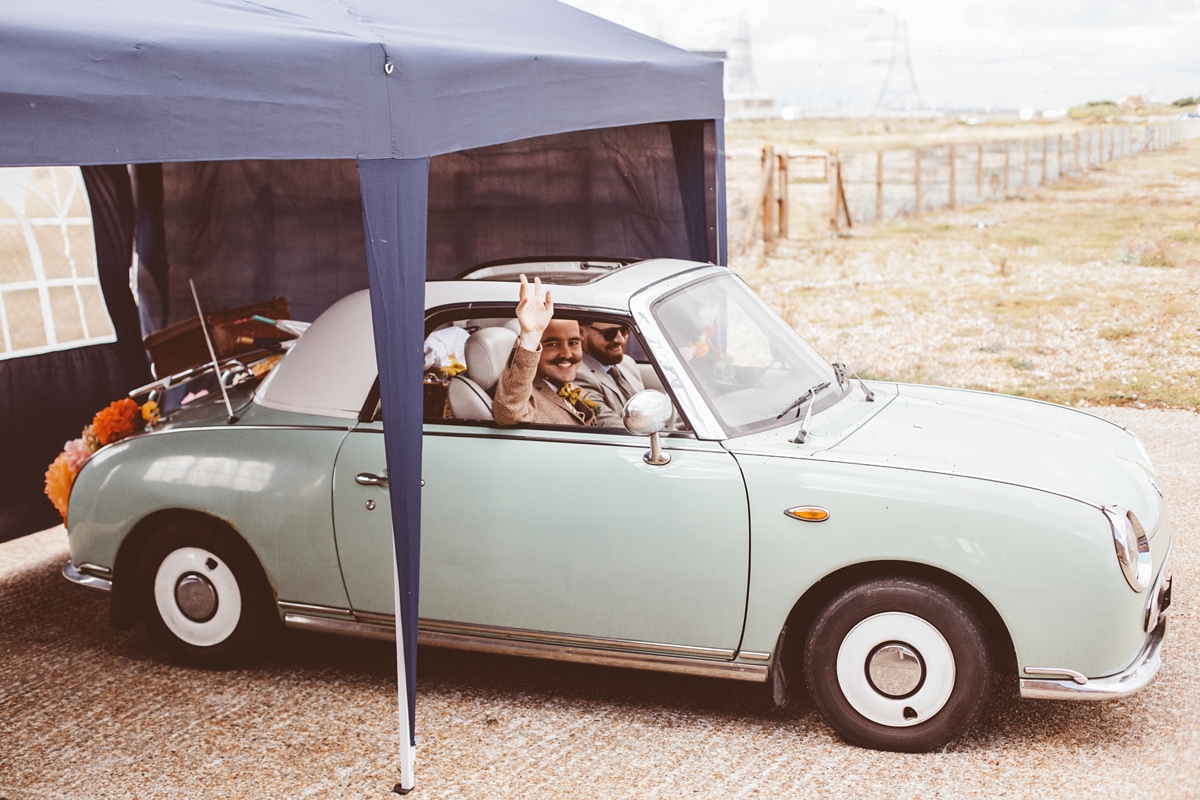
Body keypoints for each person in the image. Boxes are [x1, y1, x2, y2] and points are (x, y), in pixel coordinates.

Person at [492, 275, 608, 427]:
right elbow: (508, 412)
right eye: (553, 344)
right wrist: (530, 337)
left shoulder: (576, 389)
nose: (566, 354)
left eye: (573, 343)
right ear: (536, 349)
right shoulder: (526, 398)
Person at [573, 317, 645, 427]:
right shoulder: (578, 375)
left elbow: (647, 415)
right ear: (582, 333)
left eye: (624, 330)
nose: (620, 339)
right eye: (610, 333)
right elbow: (611, 425)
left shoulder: (628, 363)